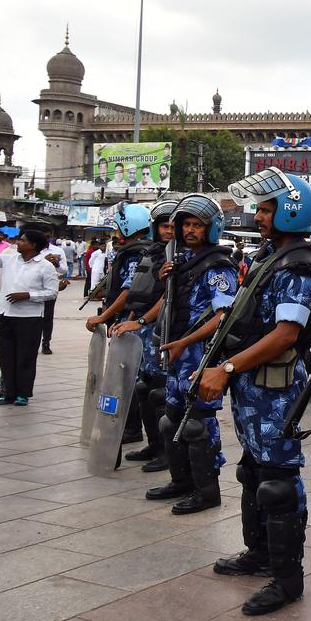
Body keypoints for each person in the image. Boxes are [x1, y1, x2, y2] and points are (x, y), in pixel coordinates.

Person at [202, 170, 311, 615]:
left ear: (290, 212)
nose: (257, 217)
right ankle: (258, 554)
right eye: (257, 209)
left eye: (265, 209)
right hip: (253, 388)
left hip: (275, 389)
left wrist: (228, 367)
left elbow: (285, 335)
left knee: (279, 482)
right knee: (254, 471)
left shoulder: (299, 265)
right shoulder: (269, 257)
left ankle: (286, 580)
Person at [115, 195, 238, 514]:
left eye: (198, 225)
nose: (190, 230)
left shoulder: (218, 265)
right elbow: (168, 304)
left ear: (211, 229)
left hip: (199, 355)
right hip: (174, 354)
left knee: (198, 425)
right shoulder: (180, 261)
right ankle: (181, 481)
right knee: (171, 420)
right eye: (186, 224)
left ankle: (207, 491)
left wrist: (187, 341)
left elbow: (224, 316)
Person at [85, 203, 155, 445]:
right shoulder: (133, 249)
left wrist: (104, 317)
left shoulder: (137, 253)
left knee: (129, 379)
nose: (116, 231)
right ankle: (131, 428)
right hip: (125, 320)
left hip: (131, 322)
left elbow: (129, 290)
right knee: (126, 378)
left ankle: (132, 430)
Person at [119, 200, 178, 472]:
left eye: (172, 226)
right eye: (164, 226)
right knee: (143, 389)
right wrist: (130, 321)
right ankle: (154, 444)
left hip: (162, 332)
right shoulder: (153, 253)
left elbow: (166, 299)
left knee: (158, 393)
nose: (168, 231)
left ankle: (168, 453)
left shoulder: (178, 257)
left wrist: (141, 321)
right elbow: (138, 295)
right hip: (142, 328)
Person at [0, 229, 59, 405]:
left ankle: (23, 394)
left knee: (26, 357)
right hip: (6, 314)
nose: (18, 242)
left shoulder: (45, 266)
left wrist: (28, 295)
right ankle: (7, 392)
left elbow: (52, 292)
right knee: (6, 356)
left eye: (22, 240)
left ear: (32, 245)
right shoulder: (9, 259)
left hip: (29, 317)